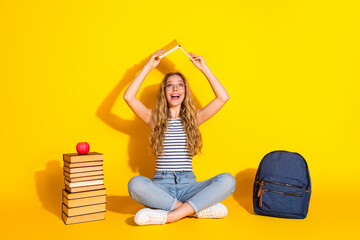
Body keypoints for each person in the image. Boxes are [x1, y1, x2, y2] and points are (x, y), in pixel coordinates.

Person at [124, 49, 236, 225]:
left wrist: (204, 67)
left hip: (188, 186)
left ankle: (170, 216)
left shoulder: (195, 119)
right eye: (169, 85)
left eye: (180, 85)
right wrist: (149, 66)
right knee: (135, 184)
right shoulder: (153, 119)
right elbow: (128, 97)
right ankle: (193, 211)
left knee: (228, 180)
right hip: (161, 185)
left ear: (185, 91)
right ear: (164, 92)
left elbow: (223, 97)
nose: (175, 88)